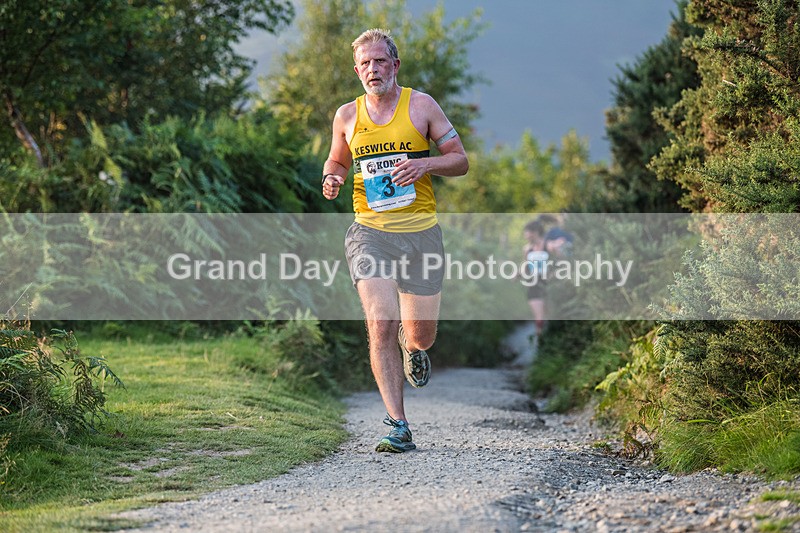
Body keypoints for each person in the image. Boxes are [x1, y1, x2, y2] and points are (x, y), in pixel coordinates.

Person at [321, 29, 468, 453]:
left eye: (379, 61)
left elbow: (460, 160)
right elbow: (337, 157)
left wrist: (425, 166)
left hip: (421, 233)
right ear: (356, 70)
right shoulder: (346, 115)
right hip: (369, 233)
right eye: (364, 63)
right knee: (379, 321)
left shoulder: (421, 106)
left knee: (421, 334)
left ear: (395, 65)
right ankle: (397, 424)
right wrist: (333, 175)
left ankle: (413, 346)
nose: (372, 69)